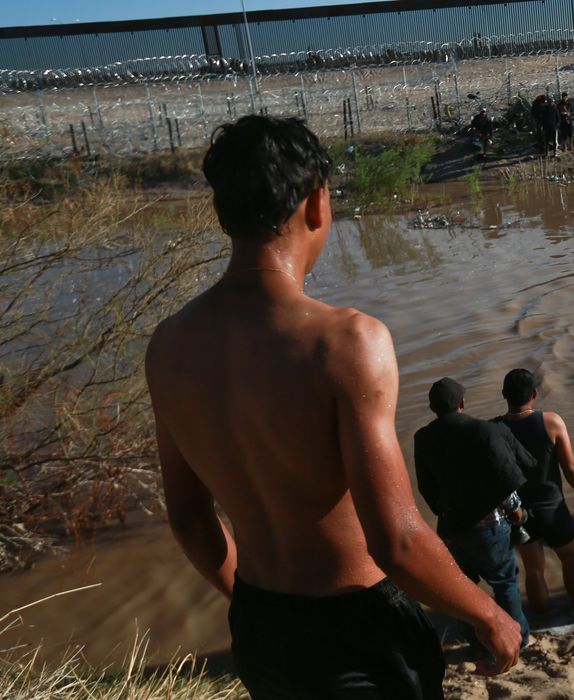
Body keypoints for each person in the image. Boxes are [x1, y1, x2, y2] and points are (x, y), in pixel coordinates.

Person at [144, 115, 520, 699]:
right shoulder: (345, 342)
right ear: (317, 202)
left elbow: (191, 522)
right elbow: (395, 540)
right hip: (358, 632)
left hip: (260, 626)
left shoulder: (167, 345)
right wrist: (489, 616)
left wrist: (253, 603)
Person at [413, 378, 536, 651]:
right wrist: (515, 510)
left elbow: (426, 486)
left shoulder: (422, 438)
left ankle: (477, 644)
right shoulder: (484, 431)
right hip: (489, 527)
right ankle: (521, 638)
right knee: (505, 584)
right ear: (463, 403)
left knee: (464, 592)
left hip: (452, 528)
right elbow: (502, 475)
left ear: (433, 408)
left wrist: (443, 513)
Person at [495, 368, 574, 612]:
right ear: (535, 394)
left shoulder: (494, 429)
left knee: (534, 571)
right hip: (553, 507)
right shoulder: (551, 422)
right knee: (569, 558)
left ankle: (546, 622)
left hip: (519, 513)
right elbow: (571, 465)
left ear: (504, 394)